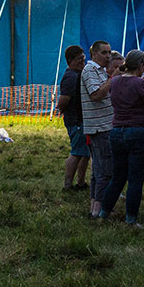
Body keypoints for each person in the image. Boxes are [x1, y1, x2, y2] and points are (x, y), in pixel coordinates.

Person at [99, 50, 144, 228]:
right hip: (140, 133)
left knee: (117, 178)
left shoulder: (115, 81)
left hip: (117, 131)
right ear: (141, 65)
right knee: (135, 180)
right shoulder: (141, 84)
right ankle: (131, 220)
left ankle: (104, 213)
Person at [81, 40, 115, 219]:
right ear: (93, 53)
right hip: (100, 128)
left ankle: (94, 207)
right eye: (104, 53)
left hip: (102, 126)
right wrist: (112, 78)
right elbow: (96, 95)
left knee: (97, 172)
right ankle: (100, 212)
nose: (108, 56)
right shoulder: (90, 70)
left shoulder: (99, 71)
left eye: (109, 52)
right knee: (104, 172)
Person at [57, 44, 90, 190]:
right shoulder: (71, 76)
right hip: (75, 121)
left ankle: (81, 182)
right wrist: (62, 109)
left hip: (82, 120)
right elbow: (63, 101)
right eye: (78, 59)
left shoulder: (78, 74)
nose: (82, 61)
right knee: (76, 152)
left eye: (83, 58)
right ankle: (67, 185)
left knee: (85, 153)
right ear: (70, 60)